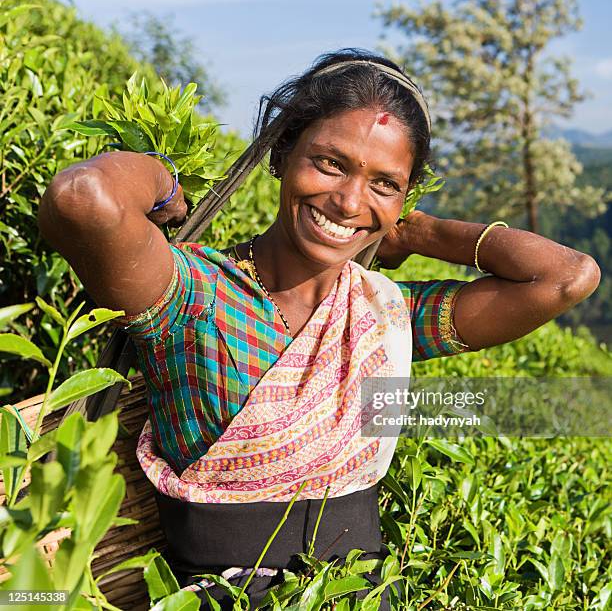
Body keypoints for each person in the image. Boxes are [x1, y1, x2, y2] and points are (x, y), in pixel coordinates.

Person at [38, 49, 600, 609]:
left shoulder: (382, 315)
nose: (350, 200)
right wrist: (164, 182)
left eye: (384, 183)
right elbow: (81, 199)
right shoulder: (194, 296)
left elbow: (567, 277)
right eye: (330, 163)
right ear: (281, 152)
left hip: (365, 597)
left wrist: (418, 232)